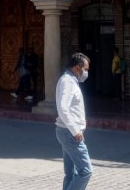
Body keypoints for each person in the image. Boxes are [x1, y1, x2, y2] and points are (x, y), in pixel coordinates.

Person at [55, 53, 93, 190]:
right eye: (86, 69)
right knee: (85, 171)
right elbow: (62, 107)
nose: (86, 72)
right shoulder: (67, 82)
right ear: (78, 68)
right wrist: (75, 130)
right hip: (69, 133)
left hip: (67, 131)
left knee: (71, 173)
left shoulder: (71, 81)